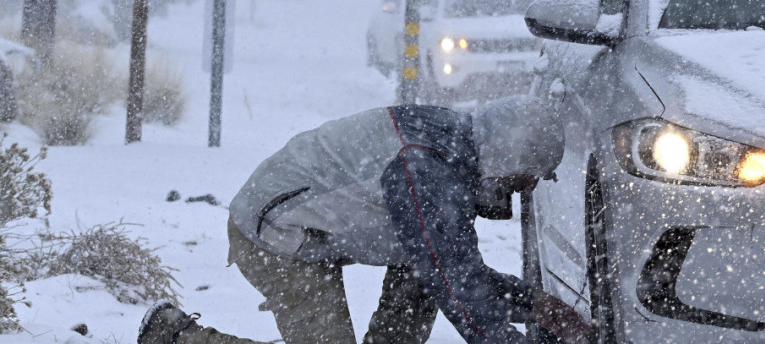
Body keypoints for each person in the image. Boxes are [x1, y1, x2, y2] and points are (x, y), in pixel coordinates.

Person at [137, 96, 591, 344]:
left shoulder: (457, 149)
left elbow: (454, 270)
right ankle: (178, 337)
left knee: (421, 278)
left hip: (318, 228)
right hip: (274, 234)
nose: (524, 190)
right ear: (506, 155)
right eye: (522, 178)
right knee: (430, 276)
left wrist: (531, 304)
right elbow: (457, 286)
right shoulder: (427, 170)